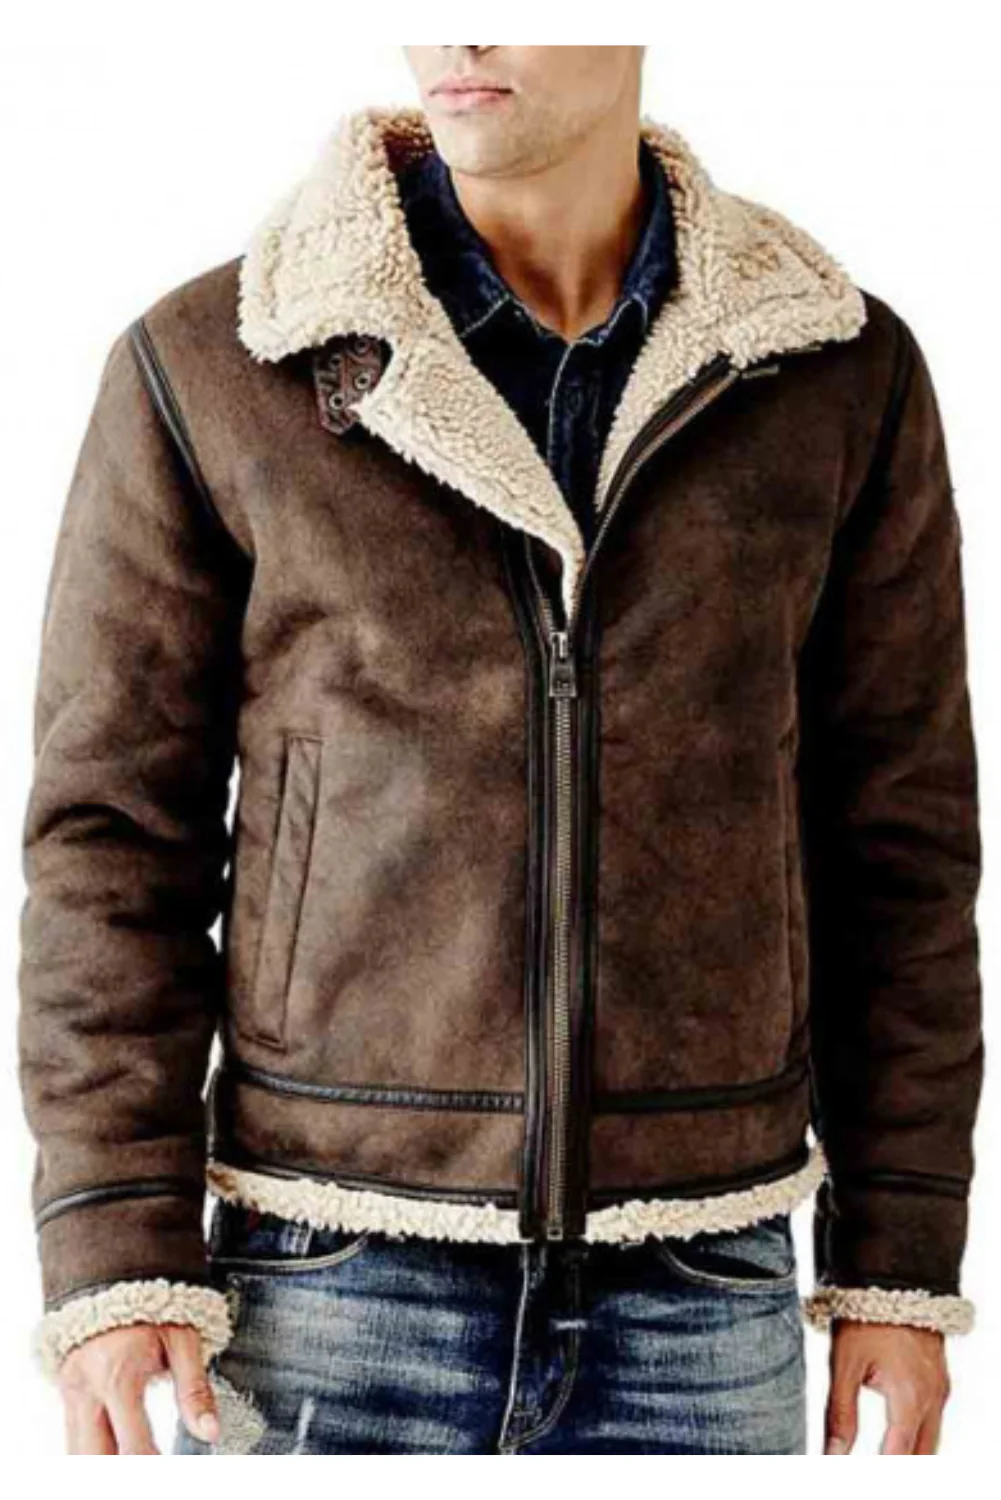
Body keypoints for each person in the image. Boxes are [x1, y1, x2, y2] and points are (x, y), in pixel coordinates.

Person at [17, 46, 983, 1456]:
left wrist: (899, 1250)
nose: (461, 32)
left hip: (703, 1298)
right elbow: (112, 838)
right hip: (325, 1282)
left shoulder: (833, 374)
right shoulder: (220, 367)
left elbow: (899, 845)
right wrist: (112, 1241)